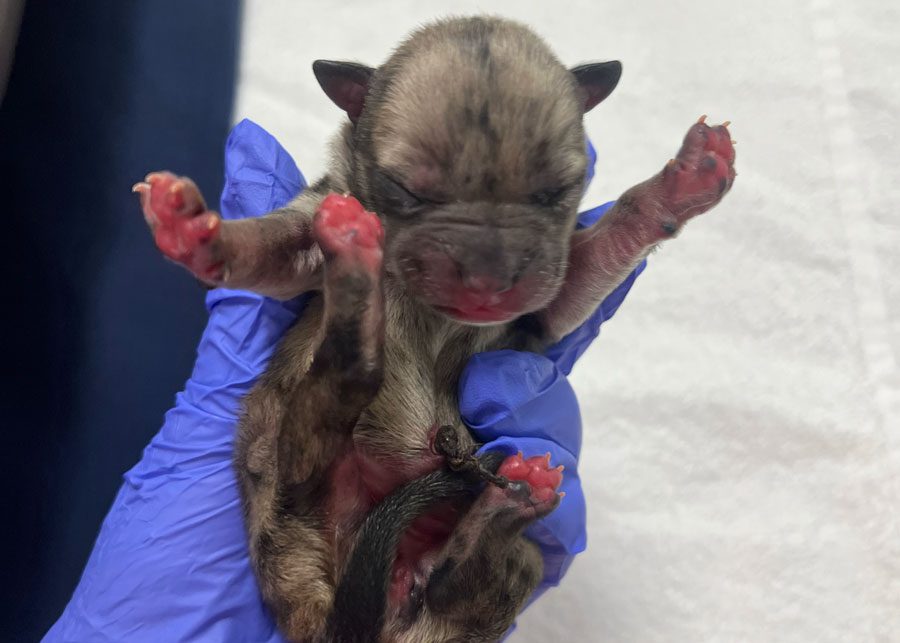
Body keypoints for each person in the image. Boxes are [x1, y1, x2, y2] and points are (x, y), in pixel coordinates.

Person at [44, 119, 645, 642]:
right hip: (424, 489)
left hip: (326, 516)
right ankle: (491, 516)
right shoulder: (368, 202)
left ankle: (352, 297)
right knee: (484, 586)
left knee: (309, 428)